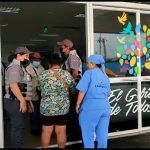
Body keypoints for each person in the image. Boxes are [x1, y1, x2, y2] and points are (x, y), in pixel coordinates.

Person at [37, 54, 75, 148]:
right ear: (61, 65)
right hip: (62, 108)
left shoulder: (43, 74)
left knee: (46, 131)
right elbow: (73, 89)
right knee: (61, 131)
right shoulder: (67, 74)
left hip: (46, 108)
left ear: (50, 65)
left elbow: (39, 88)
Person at [76, 54, 111, 148]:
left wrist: (78, 104)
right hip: (105, 108)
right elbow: (108, 93)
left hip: (90, 108)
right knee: (103, 136)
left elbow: (82, 90)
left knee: (88, 137)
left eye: (88, 63)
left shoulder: (89, 73)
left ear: (93, 64)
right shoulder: (105, 76)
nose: (87, 65)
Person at [4, 46, 34, 148]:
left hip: (18, 100)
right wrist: (22, 101)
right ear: (18, 55)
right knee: (17, 128)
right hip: (14, 101)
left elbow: (24, 86)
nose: (27, 57)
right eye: (26, 55)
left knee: (19, 127)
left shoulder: (20, 66)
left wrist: (28, 101)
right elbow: (13, 86)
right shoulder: (14, 67)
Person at [57, 39, 82, 138]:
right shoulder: (69, 57)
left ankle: (77, 134)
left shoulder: (72, 57)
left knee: (74, 111)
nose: (61, 49)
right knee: (72, 111)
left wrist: (69, 87)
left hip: (74, 89)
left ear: (67, 47)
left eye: (62, 47)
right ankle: (74, 132)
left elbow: (75, 73)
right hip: (73, 89)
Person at [25, 52, 45, 136]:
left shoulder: (41, 68)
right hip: (32, 94)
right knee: (33, 112)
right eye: (36, 60)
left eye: (39, 60)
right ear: (31, 60)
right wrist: (27, 99)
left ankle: (40, 127)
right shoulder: (27, 69)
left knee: (41, 112)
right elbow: (26, 84)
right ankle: (34, 128)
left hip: (42, 93)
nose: (38, 61)